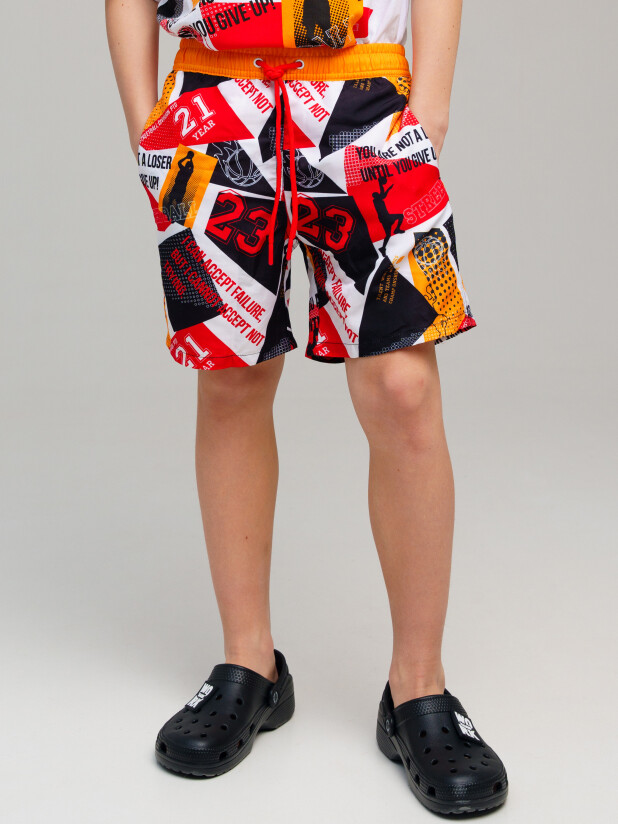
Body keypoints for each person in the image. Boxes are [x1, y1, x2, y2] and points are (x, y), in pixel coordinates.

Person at [106, 0, 508, 813]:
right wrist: (146, 120)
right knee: (231, 383)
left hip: (364, 100)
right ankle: (248, 662)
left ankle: (418, 686)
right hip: (214, 105)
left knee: (402, 389)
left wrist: (428, 108)